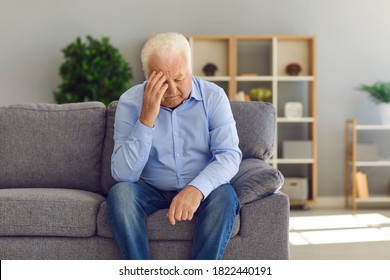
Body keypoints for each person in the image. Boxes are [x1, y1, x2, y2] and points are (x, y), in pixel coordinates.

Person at [107, 32, 242, 260]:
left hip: (202, 186)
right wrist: (146, 118)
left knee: (225, 197)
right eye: (160, 81)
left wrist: (196, 189)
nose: (171, 91)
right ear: (146, 75)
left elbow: (229, 155)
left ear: (191, 69)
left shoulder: (214, 97)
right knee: (120, 195)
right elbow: (123, 175)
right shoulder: (130, 103)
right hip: (150, 189)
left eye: (179, 79)